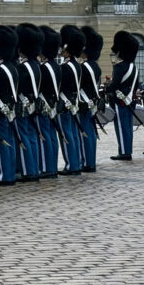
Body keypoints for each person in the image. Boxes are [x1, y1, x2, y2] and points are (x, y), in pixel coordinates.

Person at [14, 23, 43, 181]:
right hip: (34, 104)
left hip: (24, 105)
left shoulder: (23, 67)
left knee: (24, 136)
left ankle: (28, 171)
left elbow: (19, 88)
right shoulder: (37, 65)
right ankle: (34, 168)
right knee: (32, 137)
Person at [106, 31, 140, 161]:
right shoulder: (134, 67)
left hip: (120, 101)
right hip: (130, 100)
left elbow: (115, 85)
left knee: (121, 126)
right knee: (127, 127)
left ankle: (124, 152)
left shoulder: (119, 66)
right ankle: (127, 150)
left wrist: (107, 87)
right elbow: (135, 84)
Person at [0, 25, 19, 186]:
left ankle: (5, 175)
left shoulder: (0, 68)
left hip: (1, 108)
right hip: (9, 108)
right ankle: (9, 172)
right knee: (9, 141)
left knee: (2, 142)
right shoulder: (12, 67)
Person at [58, 25, 85, 175]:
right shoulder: (77, 66)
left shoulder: (65, 67)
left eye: (63, 49)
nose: (61, 51)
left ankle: (71, 165)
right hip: (74, 102)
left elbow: (61, 87)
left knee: (66, 134)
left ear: (67, 50)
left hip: (65, 103)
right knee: (73, 133)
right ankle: (77, 163)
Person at [37, 27, 63, 177]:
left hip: (44, 104)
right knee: (52, 136)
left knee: (44, 136)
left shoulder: (44, 67)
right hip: (53, 104)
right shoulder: (56, 66)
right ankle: (52, 165)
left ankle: (47, 168)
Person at [78, 26, 103, 172]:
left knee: (85, 132)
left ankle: (87, 162)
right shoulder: (95, 66)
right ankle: (91, 160)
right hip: (92, 101)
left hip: (84, 101)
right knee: (91, 132)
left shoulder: (84, 66)